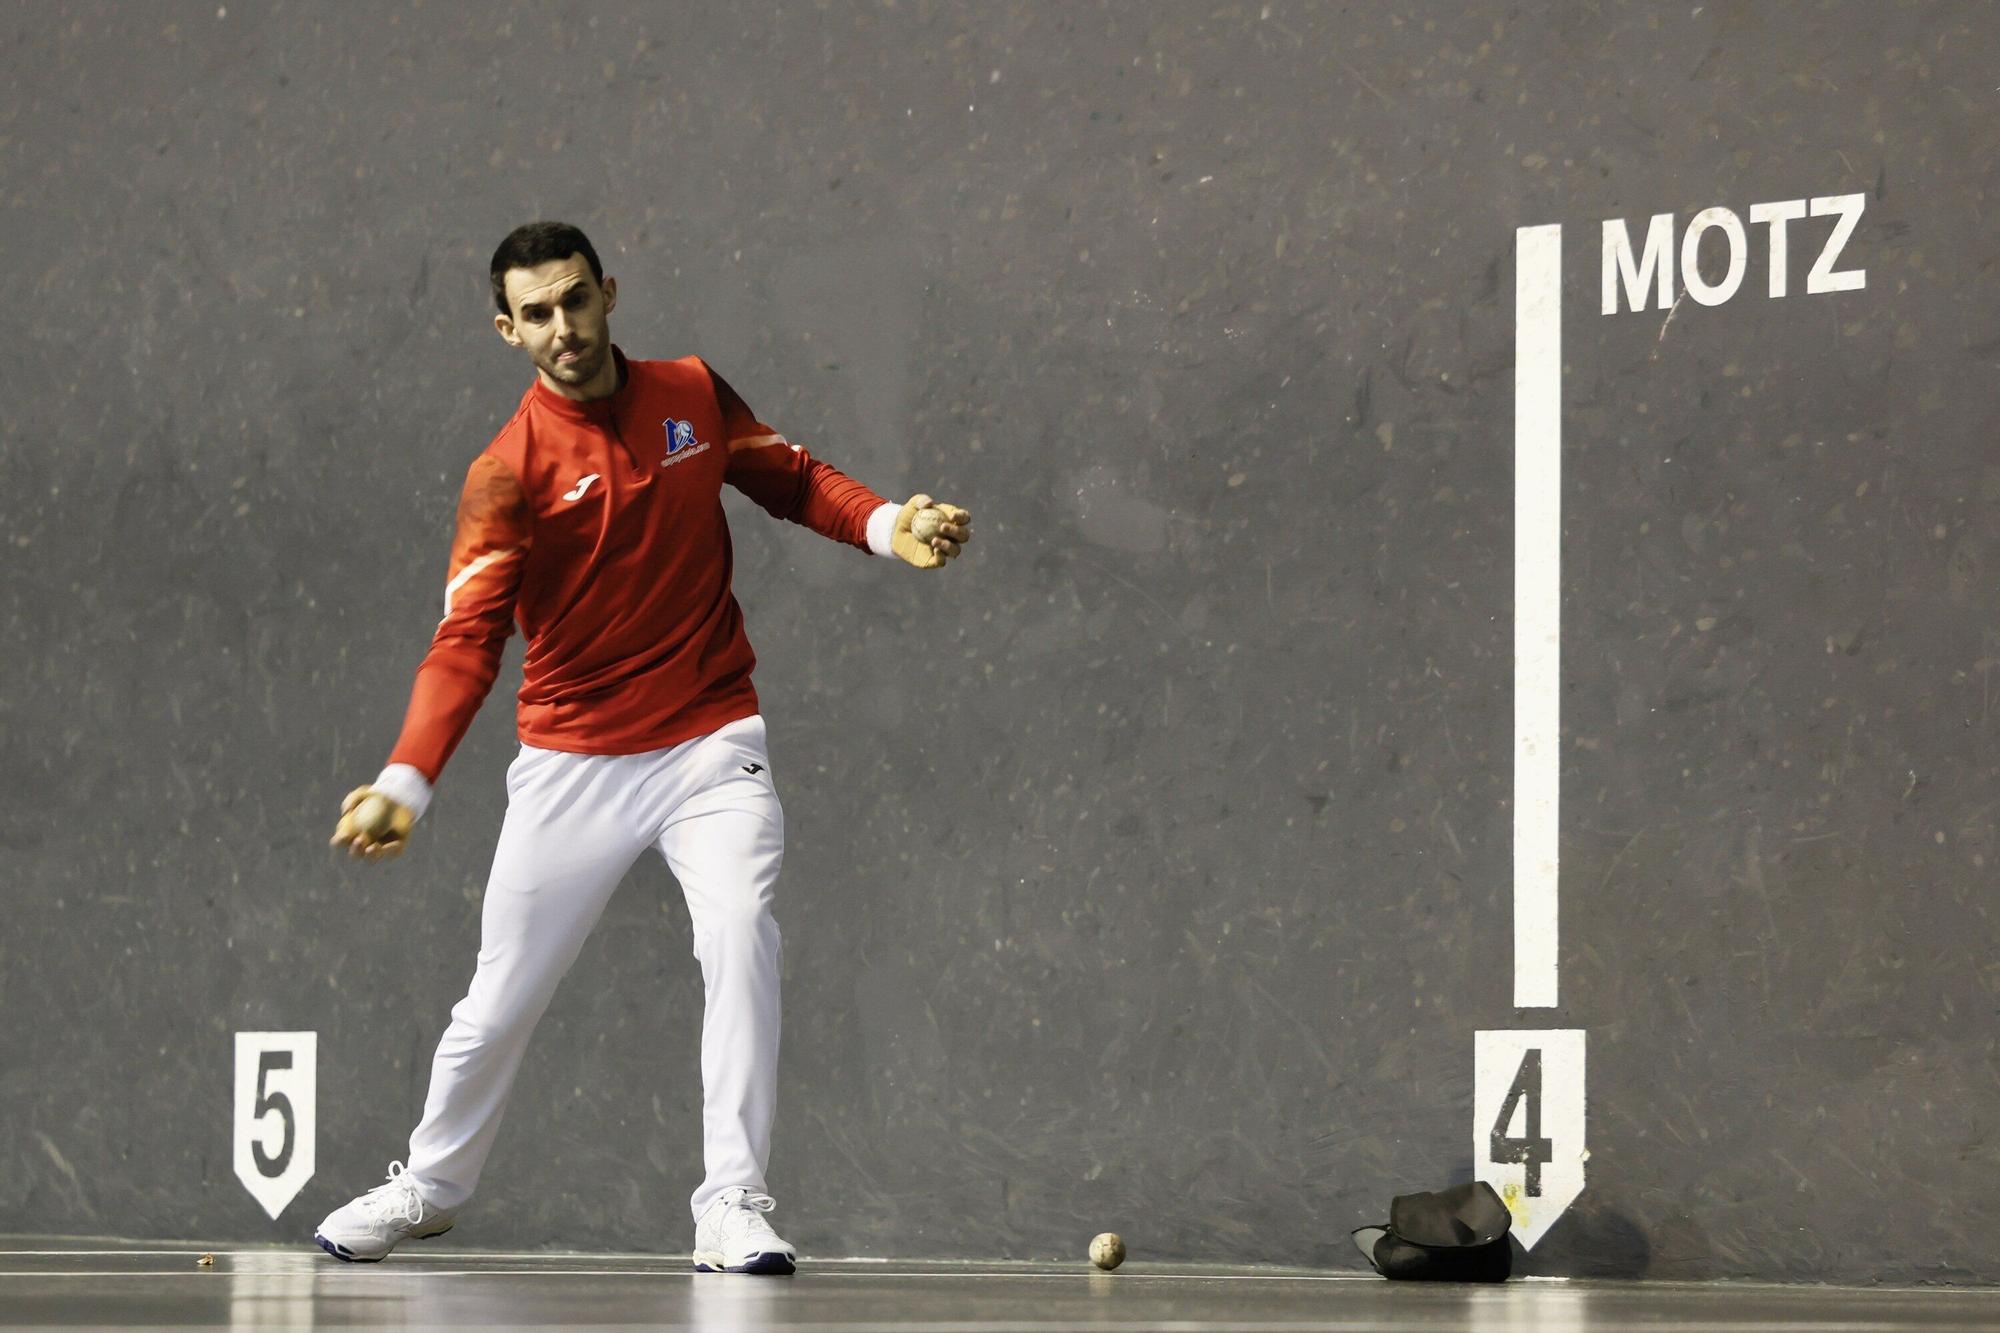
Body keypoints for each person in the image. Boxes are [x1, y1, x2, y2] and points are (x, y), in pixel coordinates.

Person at [312, 221, 971, 1274]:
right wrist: (406, 779)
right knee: (498, 1001)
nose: (562, 326)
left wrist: (891, 522)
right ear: (505, 329)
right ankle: (429, 1185)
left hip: (712, 741)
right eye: (536, 313)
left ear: (608, 292)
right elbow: (468, 637)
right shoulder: (507, 473)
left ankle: (733, 1203)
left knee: (743, 933)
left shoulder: (692, 395)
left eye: (576, 299)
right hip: (571, 763)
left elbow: (791, 478)